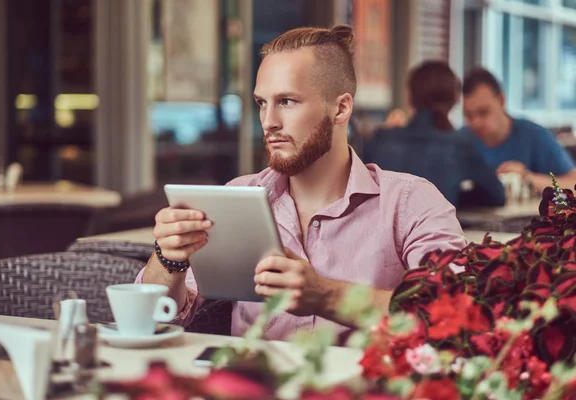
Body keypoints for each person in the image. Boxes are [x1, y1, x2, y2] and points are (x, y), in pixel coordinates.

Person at [137, 26, 467, 341]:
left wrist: (327, 295)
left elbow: (459, 312)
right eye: (262, 103)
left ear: (341, 109)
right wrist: (169, 259)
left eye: (287, 102)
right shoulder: (238, 197)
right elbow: (147, 321)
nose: (268, 122)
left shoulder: (409, 202)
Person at [362, 61, 506, 207]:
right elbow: (497, 196)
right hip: (432, 227)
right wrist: (453, 197)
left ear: (410, 96)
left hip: (383, 228)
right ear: (455, 100)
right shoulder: (460, 144)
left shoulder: (380, 139)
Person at [460, 67, 576, 193]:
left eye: (483, 112)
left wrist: (527, 178)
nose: (475, 123)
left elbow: (573, 184)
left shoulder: (535, 136)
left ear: (501, 100)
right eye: (468, 116)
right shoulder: (461, 140)